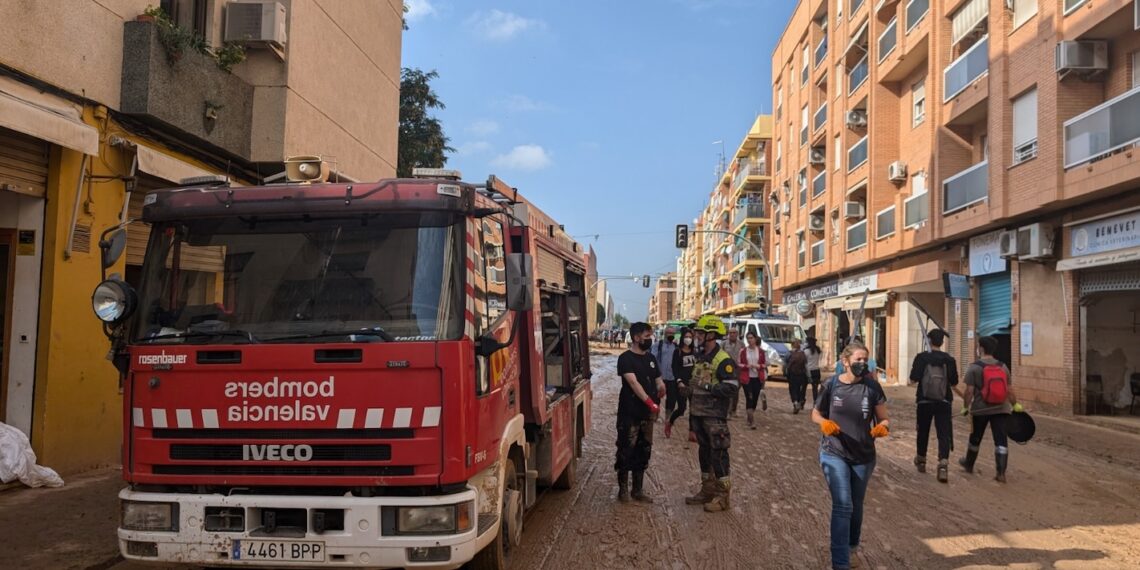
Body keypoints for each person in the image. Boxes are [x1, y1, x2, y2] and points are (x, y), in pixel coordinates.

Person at [811, 343, 890, 570]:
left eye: (865, 360)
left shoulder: (872, 388)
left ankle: (852, 547)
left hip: (864, 456)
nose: (862, 363)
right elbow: (815, 413)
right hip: (834, 452)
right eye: (858, 359)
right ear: (845, 361)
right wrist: (824, 422)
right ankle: (840, 563)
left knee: (856, 505)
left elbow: (884, 418)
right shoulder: (831, 385)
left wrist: (883, 427)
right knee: (843, 505)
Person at [680, 314, 740, 512]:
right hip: (698, 414)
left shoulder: (723, 360)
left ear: (711, 335)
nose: (695, 335)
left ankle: (723, 497)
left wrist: (707, 386)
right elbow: (695, 385)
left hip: (715, 417)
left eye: (700, 333)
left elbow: (731, 388)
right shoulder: (700, 358)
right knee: (704, 453)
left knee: (719, 455)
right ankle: (707, 490)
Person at [615, 322, 667, 503]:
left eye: (650, 336)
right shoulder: (625, 359)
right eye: (646, 336)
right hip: (630, 413)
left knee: (644, 450)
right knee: (625, 449)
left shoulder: (651, 358)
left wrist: (661, 387)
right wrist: (650, 402)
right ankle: (623, 490)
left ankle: (637, 489)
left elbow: (658, 379)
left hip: (647, 415)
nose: (649, 339)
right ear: (636, 338)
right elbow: (633, 383)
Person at [960, 335, 1023, 483]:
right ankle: (1001, 472)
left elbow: (969, 391)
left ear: (980, 348)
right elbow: (1009, 390)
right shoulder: (1003, 367)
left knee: (975, 438)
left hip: (980, 410)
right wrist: (1014, 404)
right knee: (1001, 440)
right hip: (1001, 409)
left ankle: (969, 464)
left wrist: (965, 407)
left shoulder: (974, 367)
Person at [908, 329, 959, 483]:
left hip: (924, 401)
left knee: (923, 430)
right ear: (942, 342)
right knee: (943, 433)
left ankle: (921, 460)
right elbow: (954, 382)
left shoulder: (921, 358)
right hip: (944, 402)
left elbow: (913, 379)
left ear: (928, 340)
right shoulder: (949, 359)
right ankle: (943, 464)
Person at [667, 328, 698, 448]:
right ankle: (670, 422)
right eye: (687, 336)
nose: (688, 339)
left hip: (693, 384)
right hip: (681, 385)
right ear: (682, 338)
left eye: (690, 337)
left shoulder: (695, 352)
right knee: (681, 409)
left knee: (694, 409)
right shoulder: (677, 352)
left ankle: (692, 432)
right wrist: (679, 381)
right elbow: (674, 368)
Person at [737, 331, 767, 429]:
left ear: (755, 339)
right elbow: (739, 363)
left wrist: (759, 366)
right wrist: (747, 366)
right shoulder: (743, 351)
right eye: (748, 338)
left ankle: (750, 416)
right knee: (749, 397)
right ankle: (752, 420)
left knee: (754, 398)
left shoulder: (761, 351)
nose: (750, 340)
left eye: (751, 338)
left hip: (757, 378)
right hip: (747, 378)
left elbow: (766, 363)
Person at [652, 327, 679, 417]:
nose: (671, 335)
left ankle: (668, 417)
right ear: (664, 333)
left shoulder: (676, 347)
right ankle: (655, 414)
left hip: (672, 378)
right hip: (660, 378)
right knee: (656, 398)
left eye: (672, 333)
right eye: (668, 333)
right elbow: (652, 360)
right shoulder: (657, 345)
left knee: (671, 399)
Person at [721, 328, 744, 418]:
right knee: (727, 389)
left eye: (734, 333)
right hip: (727, 369)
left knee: (736, 390)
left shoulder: (741, 344)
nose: (732, 334)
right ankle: (727, 410)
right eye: (730, 333)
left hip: (738, 369)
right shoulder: (724, 344)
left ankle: (733, 410)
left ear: (737, 334)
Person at [786, 340, 809, 413]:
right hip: (801, 374)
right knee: (799, 389)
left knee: (792, 389)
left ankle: (795, 402)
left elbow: (786, 363)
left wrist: (786, 371)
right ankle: (798, 401)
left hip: (792, 374)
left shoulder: (789, 353)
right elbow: (806, 364)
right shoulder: (803, 354)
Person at [805, 336, 824, 405]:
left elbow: (805, 362)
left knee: (804, 387)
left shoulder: (806, 351)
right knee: (815, 388)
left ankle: (802, 400)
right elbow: (821, 358)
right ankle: (815, 401)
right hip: (816, 370)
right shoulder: (818, 350)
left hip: (808, 370)